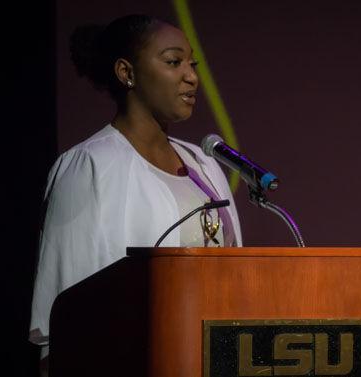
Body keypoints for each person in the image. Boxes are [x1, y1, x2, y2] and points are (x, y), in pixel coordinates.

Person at [28, 14, 242, 375]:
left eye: (193, 64)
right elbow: (67, 308)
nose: (191, 76)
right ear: (127, 73)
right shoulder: (90, 165)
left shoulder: (205, 163)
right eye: (174, 62)